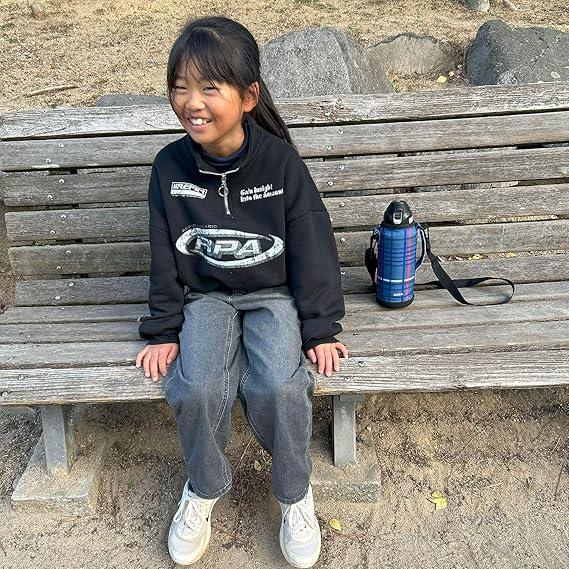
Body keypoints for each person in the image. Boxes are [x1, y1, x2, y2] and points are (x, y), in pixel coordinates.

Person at [135, 15, 347, 568]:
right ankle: (203, 488)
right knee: (197, 387)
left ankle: (295, 495)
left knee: (279, 384)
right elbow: (164, 253)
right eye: (180, 87)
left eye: (209, 87)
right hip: (205, 298)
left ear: (249, 96)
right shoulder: (169, 168)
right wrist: (163, 330)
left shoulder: (280, 163)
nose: (192, 102)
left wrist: (320, 327)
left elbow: (312, 244)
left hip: (273, 295)